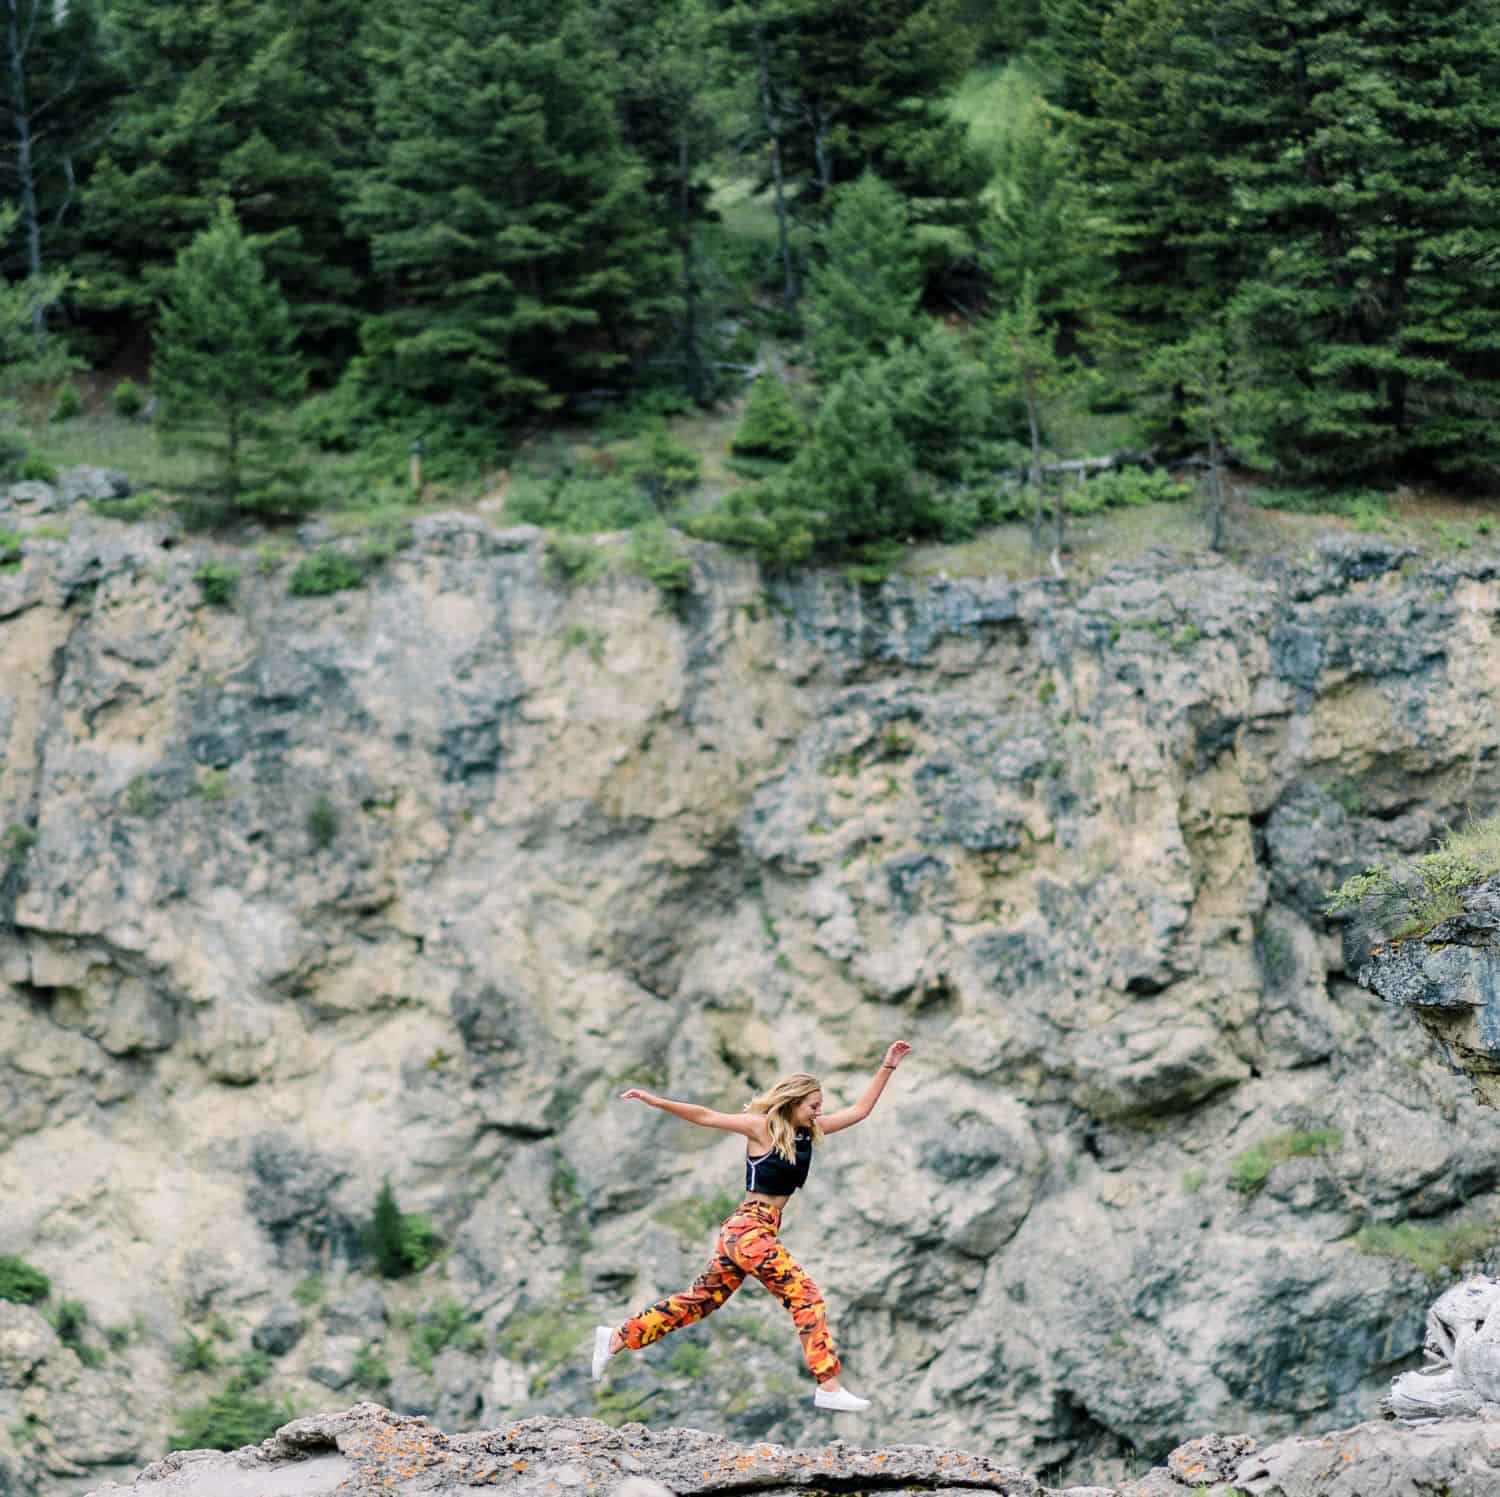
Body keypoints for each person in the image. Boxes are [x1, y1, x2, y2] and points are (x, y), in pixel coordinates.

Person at [590, 1041, 912, 1412]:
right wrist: (656, 1101)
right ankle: (828, 1384)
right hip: (748, 1230)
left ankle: (617, 1337)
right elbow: (706, 1116)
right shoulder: (761, 1128)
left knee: (702, 1302)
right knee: (804, 1295)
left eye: (819, 1106)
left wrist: (887, 1066)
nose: (818, 1111)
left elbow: (859, 1110)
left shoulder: (809, 1132)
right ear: (793, 1103)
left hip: (750, 1233)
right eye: (813, 1106)